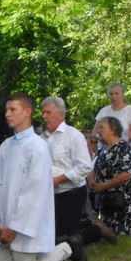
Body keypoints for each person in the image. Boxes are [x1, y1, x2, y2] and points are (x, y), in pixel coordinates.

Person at [0, 93, 88, 261]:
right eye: (7, 110)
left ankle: (68, 247)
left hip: (26, 223)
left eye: (12, 109)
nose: (7, 114)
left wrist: (14, 229)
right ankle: (36, 253)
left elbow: (33, 193)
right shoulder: (6, 146)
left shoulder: (37, 146)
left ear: (27, 112)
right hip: (5, 218)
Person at [41, 97, 115, 245]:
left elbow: (85, 166)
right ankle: (86, 224)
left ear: (61, 114)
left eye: (48, 112)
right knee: (50, 233)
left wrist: (59, 179)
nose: (44, 116)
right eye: (43, 113)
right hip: (48, 194)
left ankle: (96, 230)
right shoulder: (40, 138)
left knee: (62, 238)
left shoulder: (73, 136)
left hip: (71, 193)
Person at [89, 116, 131, 236]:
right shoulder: (104, 150)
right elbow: (94, 168)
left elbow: (125, 175)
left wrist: (102, 186)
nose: (97, 131)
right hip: (110, 200)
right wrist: (92, 182)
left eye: (101, 127)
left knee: (123, 234)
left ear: (113, 130)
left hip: (126, 199)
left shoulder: (123, 148)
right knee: (108, 233)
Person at [95, 83, 131, 150]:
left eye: (116, 93)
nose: (114, 96)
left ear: (123, 95)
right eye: (111, 94)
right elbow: (95, 130)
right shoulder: (104, 111)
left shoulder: (130, 111)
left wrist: (115, 140)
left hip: (124, 150)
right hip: (104, 149)